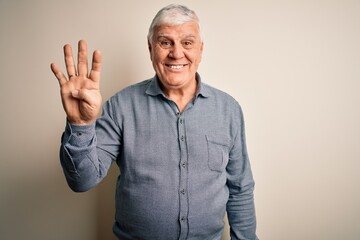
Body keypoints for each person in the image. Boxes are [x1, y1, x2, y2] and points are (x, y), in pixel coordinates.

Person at [50, 4, 258, 240]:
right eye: (165, 42)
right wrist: (81, 124)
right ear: (151, 49)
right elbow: (82, 181)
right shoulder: (121, 106)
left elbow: (240, 189)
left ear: (201, 50)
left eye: (187, 43)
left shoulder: (228, 109)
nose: (177, 53)